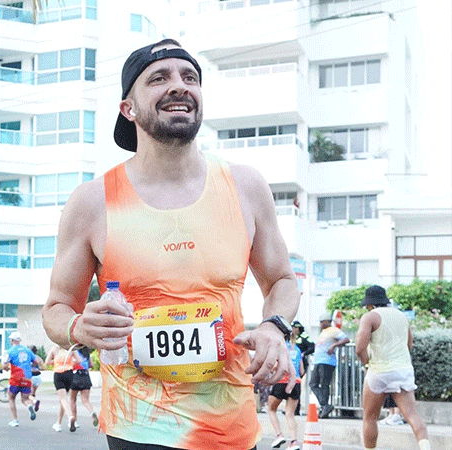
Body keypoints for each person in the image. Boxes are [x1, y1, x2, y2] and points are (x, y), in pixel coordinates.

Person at [41, 38, 300, 450]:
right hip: (137, 425)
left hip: (230, 424)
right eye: (159, 78)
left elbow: (283, 280)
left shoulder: (246, 186)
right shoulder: (92, 202)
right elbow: (56, 309)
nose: (179, 85)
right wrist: (78, 326)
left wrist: (275, 325)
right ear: (128, 108)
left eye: (190, 77)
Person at [355, 285, 431, 450]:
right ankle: (425, 447)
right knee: (412, 415)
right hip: (403, 370)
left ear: (369, 304)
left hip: (378, 371)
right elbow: (409, 344)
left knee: (370, 418)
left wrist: (367, 363)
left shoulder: (370, 317)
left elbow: (359, 348)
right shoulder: (402, 316)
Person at [267, 332, 303, 450]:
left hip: (282, 381)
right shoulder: (297, 349)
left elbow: (276, 366)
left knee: (271, 409)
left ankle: (279, 435)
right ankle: (294, 442)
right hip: (296, 382)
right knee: (290, 414)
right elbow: (301, 370)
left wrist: (271, 370)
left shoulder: (280, 347)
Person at [310, 312, 349, 418]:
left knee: (324, 385)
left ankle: (324, 407)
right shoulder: (323, 332)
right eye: (320, 322)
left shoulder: (334, 330)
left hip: (327, 361)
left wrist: (334, 345)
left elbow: (346, 339)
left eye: (323, 322)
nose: (320, 324)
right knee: (313, 384)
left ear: (328, 322)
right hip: (318, 361)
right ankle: (325, 405)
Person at [3, 332, 42, 427]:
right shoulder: (28, 350)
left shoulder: (10, 351)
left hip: (15, 378)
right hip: (27, 377)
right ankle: (29, 406)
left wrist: (7, 368)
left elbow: (4, 365)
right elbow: (37, 361)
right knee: (25, 398)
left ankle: (15, 420)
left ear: (12, 340)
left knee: (11, 398)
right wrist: (30, 366)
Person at [45, 343, 75, 432]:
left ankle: (70, 417)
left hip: (59, 373)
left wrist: (56, 361)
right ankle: (58, 423)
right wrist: (70, 362)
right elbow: (79, 359)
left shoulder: (54, 349)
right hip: (69, 374)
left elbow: (47, 362)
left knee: (63, 399)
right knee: (63, 398)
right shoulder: (71, 349)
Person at [70, 347, 98, 431]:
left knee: (72, 399)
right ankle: (92, 412)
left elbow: (71, 363)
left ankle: (75, 421)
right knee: (85, 400)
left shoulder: (74, 352)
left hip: (75, 376)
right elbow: (92, 365)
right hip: (86, 376)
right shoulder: (86, 353)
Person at [290, 320, 314, 415]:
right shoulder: (290, 337)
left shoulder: (304, 337)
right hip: (290, 364)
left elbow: (312, 347)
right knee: (289, 385)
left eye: (296, 328)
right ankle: (290, 408)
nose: (294, 329)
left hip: (300, 364)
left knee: (296, 385)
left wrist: (304, 353)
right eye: (293, 328)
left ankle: (296, 409)